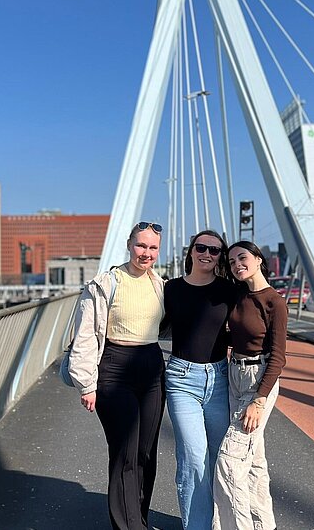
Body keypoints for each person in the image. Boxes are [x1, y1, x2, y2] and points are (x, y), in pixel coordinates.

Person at [67, 222, 166, 530]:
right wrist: (86, 384)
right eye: (141, 246)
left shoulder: (159, 284)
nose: (146, 253)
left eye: (152, 248)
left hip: (151, 366)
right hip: (114, 368)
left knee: (145, 453)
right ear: (128, 244)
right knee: (125, 450)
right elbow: (84, 335)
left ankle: (139, 518)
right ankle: (128, 526)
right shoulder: (106, 283)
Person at [163, 230, 237, 529]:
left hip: (219, 378)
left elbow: (253, 319)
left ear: (221, 257)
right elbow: (141, 320)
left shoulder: (229, 290)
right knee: (194, 458)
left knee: (221, 458)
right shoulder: (170, 289)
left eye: (216, 250)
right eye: (201, 247)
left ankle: (221, 521)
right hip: (181, 380)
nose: (207, 253)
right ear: (190, 251)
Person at [214, 241, 286, 529]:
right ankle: (263, 525)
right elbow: (238, 338)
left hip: (259, 380)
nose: (236, 264)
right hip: (234, 375)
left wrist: (259, 400)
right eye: (231, 262)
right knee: (254, 462)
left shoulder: (274, 302)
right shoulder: (240, 295)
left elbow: (278, 357)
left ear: (258, 259)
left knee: (229, 462)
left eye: (242, 258)